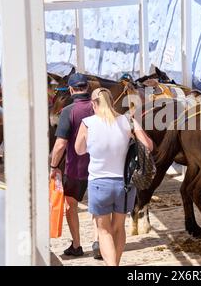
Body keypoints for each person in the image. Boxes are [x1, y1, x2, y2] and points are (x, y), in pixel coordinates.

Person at [75, 88, 153, 266]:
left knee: (104, 231)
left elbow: (79, 150)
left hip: (99, 183)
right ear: (112, 102)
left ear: (93, 104)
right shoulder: (128, 121)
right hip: (124, 185)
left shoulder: (87, 123)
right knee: (118, 228)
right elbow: (148, 146)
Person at [49, 72, 100, 259]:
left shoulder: (68, 111)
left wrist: (54, 166)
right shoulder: (100, 108)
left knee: (71, 205)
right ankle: (98, 241)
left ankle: (77, 245)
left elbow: (60, 144)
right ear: (87, 88)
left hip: (75, 167)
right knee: (98, 206)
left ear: (71, 89)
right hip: (99, 166)